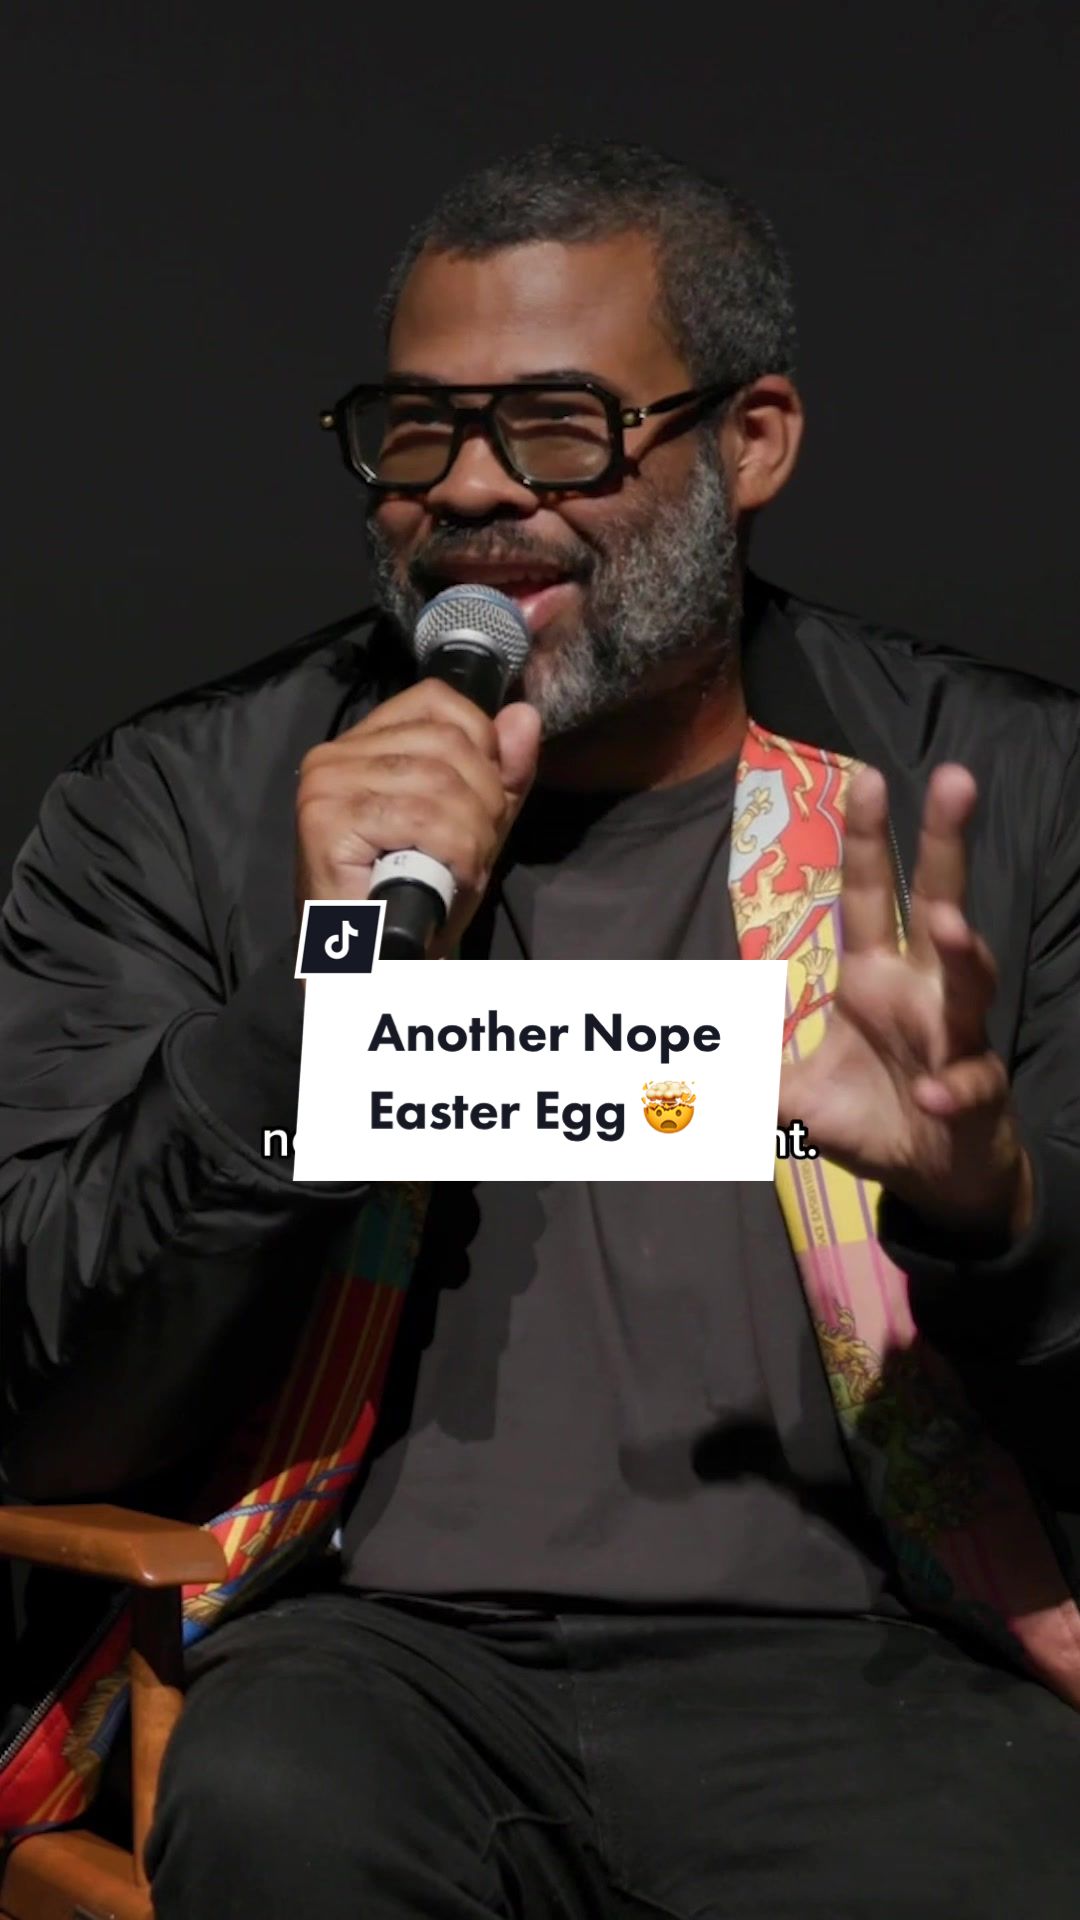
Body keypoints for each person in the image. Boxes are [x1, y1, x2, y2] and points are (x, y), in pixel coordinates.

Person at [3, 138, 1080, 1919]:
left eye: (561, 427)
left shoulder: (1013, 799)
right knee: (277, 1812)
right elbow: (43, 1395)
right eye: (419, 432)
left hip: (871, 1659)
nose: (474, 490)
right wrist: (316, 1011)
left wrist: (996, 1208)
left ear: (753, 442)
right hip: (375, 1661)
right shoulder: (177, 808)